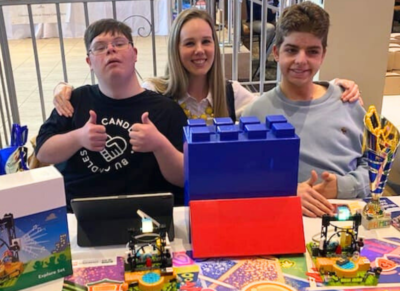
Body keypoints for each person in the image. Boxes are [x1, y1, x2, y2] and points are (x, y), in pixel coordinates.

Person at [53, 8, 362, 121]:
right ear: (176, 49)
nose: (199, 51)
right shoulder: (154, 91)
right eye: (189, 43)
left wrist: (330, 87)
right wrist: (64, 89)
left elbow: (280, 100)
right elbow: (114, 92)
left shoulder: (234, 94)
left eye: (206, 41)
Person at [35, 19, 187, 211]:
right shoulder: (74, 101)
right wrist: (79, 137)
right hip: (79, 216)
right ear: (89, 62)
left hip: (147, 216)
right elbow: (43, 152)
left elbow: (186, 177)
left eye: (119, 43)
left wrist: (159, 145)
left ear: (135, 54)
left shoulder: (166, 110)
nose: (110, 50)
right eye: (99, 47)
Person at [243, 2, 369, 218]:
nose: (301, 60)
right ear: (276, 52)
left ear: (323, 55)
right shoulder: (255, 114)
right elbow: (245, 178)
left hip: (349, 217)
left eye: (312, 51)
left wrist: (342, 186)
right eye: (292, 50)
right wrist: (284, 191)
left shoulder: (348, 102)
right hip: (284, 221)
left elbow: (373, 166)